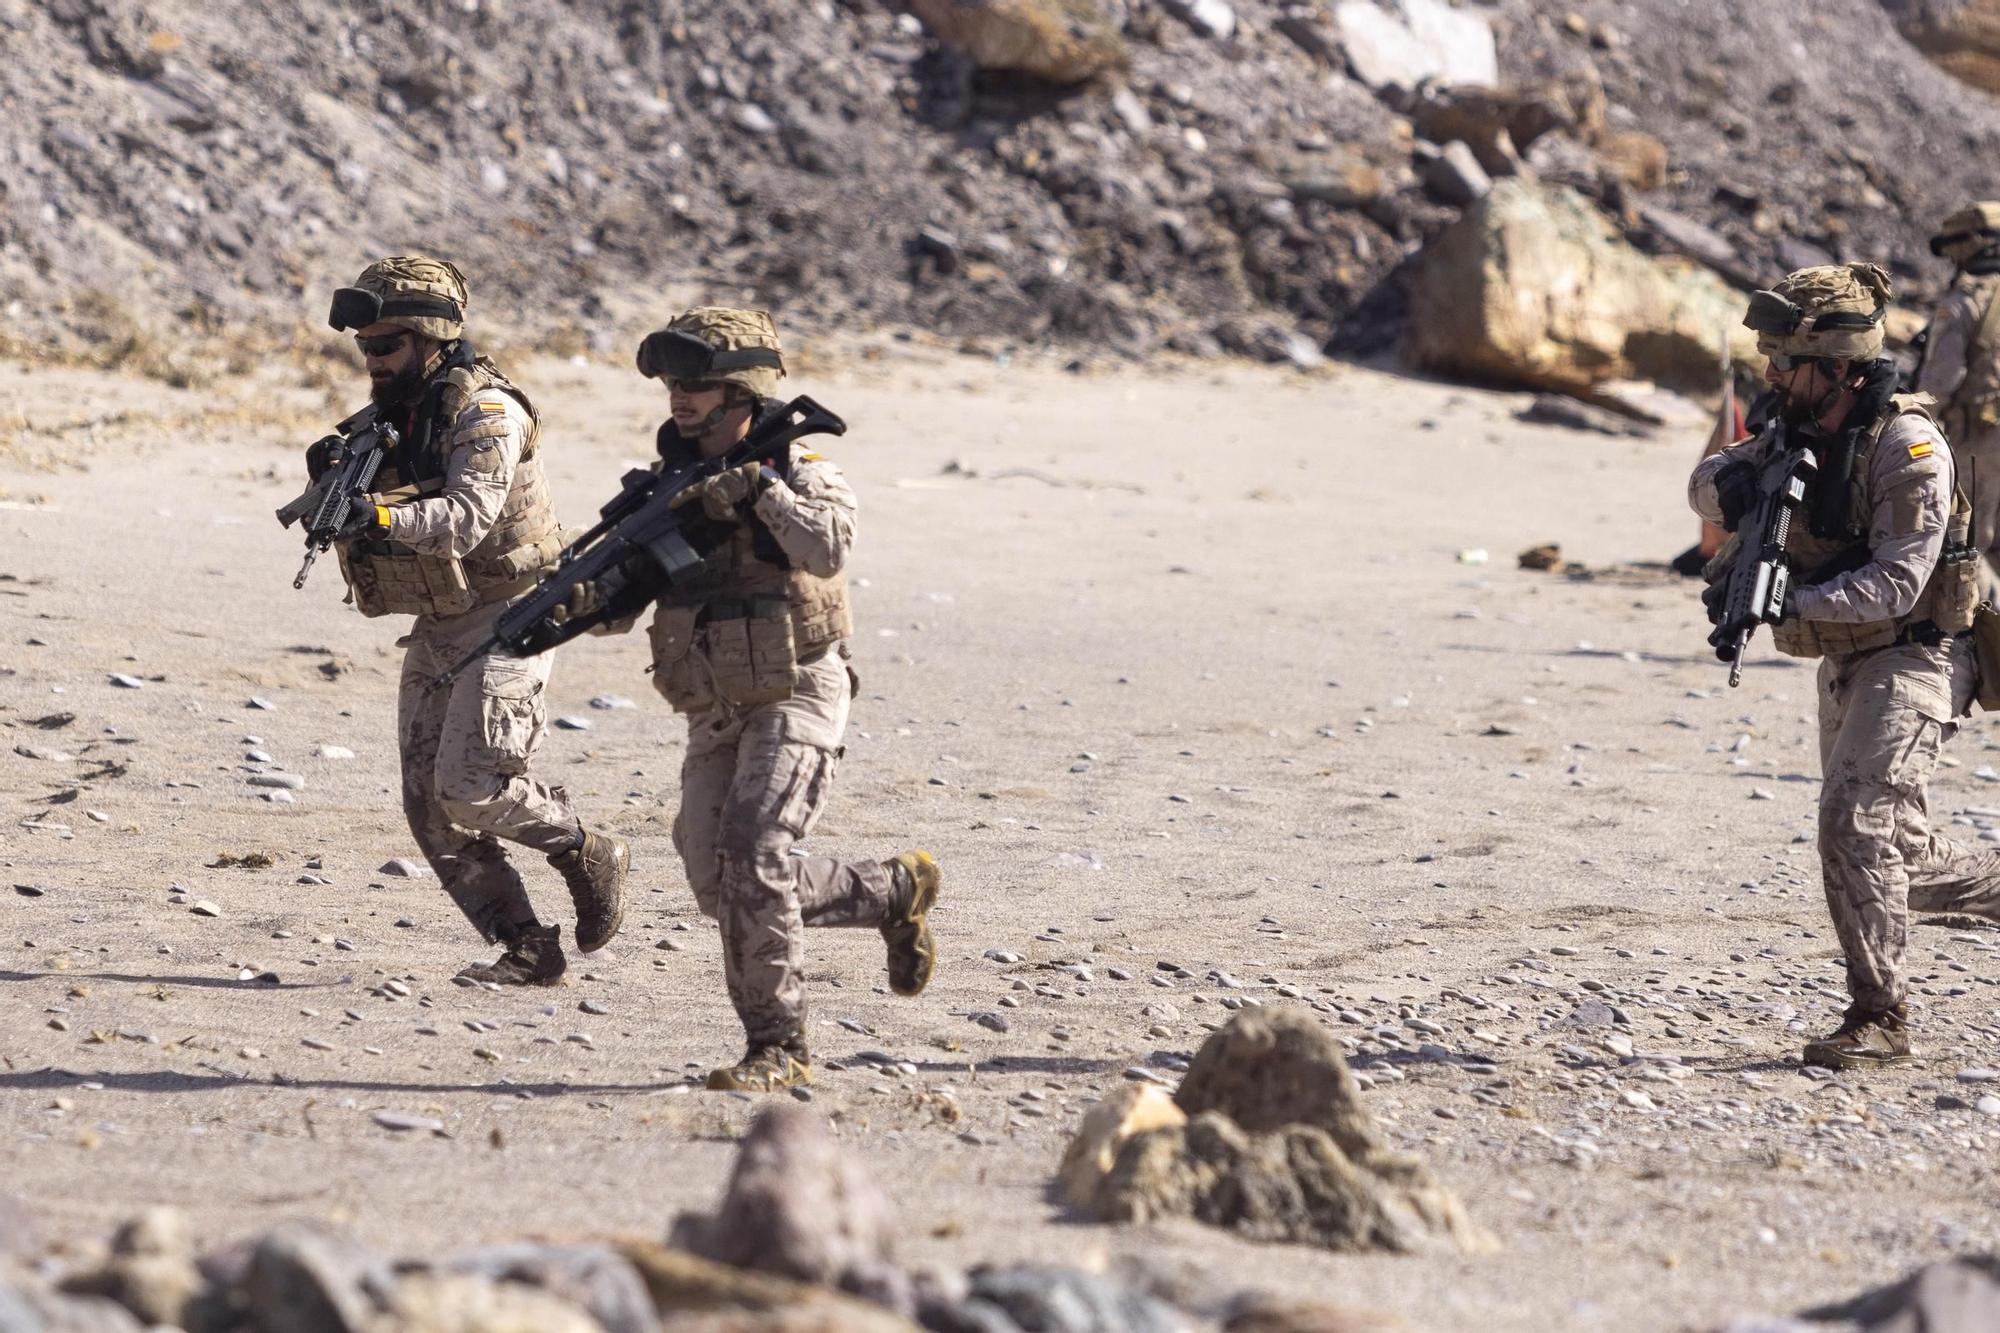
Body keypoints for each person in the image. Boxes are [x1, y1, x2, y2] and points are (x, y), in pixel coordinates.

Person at [573, 306, 940, 1092]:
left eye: (700, 385)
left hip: (800, 686)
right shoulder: (669, 488)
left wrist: (761, 494)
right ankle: (892, 890)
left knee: (754, 852)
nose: (681, 399)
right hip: (717, 706)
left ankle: (778, 1046)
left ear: (742, 392)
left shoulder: (804, 468)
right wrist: (576, 605)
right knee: (722, 884)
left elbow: (828, 545)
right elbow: (621, 602)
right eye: (675, 384)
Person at [1688, 262, 2000, 1070]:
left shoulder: (1911, 445)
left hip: (1920, 652)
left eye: (1786, 362)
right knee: (1905, 856)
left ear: (1838, 365)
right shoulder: (1796, 428)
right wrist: (1742, 480)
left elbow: (1898, 582)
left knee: (1851, 820)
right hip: (1847, 657)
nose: (1771, 373)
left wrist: (1788, 600)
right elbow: (1702, 489)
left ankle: (1880, 1014)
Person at [307, 254, 628, 986]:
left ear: (430, 338)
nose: (372, 361)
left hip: (516, 612)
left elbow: (464, 519)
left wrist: (379, 513)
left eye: (386, 346)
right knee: (428, 805)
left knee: (470, 786)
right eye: (364, 348)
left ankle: (583, 845)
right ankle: (524, 943)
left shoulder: (488, 413)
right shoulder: (394, 417)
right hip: (444, 617)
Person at [1918, 201, 2000, 591]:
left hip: (1979, 438)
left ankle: (1978, 636)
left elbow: (1942, 379)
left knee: (1971, 539)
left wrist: (1915, 419)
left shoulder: (1964, 300)